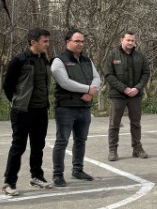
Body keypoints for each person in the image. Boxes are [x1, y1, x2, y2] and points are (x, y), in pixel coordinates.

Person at [2, 28, 53, 196]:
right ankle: (9, 182)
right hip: (22, 111)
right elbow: (7, 86)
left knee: (38, 145)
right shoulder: (19, 60)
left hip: (41, 110)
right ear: (33, 42)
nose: (47, 44)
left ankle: (36, 176)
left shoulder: (44, 59)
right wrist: (17, 102)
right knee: (19, 146)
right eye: (44, 41)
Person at [51, 29, 101, 187]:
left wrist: (91, 92)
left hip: (84, 107)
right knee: (62, 141)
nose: (80, 44)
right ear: (68, 42)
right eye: (77, 41)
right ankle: (58, 174)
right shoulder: (59, 61)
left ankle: (77, 170)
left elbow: (97, 77)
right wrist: (87, 89)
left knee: (81, 140)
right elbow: (64, 82)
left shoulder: (87, 60)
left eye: (82, 41)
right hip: (66, 108)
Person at [103, 31, 151, 161]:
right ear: (121, 40)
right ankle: (113, 150)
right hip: (118, 96)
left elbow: (146, 73)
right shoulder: (113, 55)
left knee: (136, 123)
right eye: (128, 40)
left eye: (132, 40)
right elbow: (108, 74)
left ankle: (137, 148)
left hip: (135, 96)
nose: (130, 42)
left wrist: (137, 88)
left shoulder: (140, 56)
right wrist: (123, 89)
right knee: (114, 124)